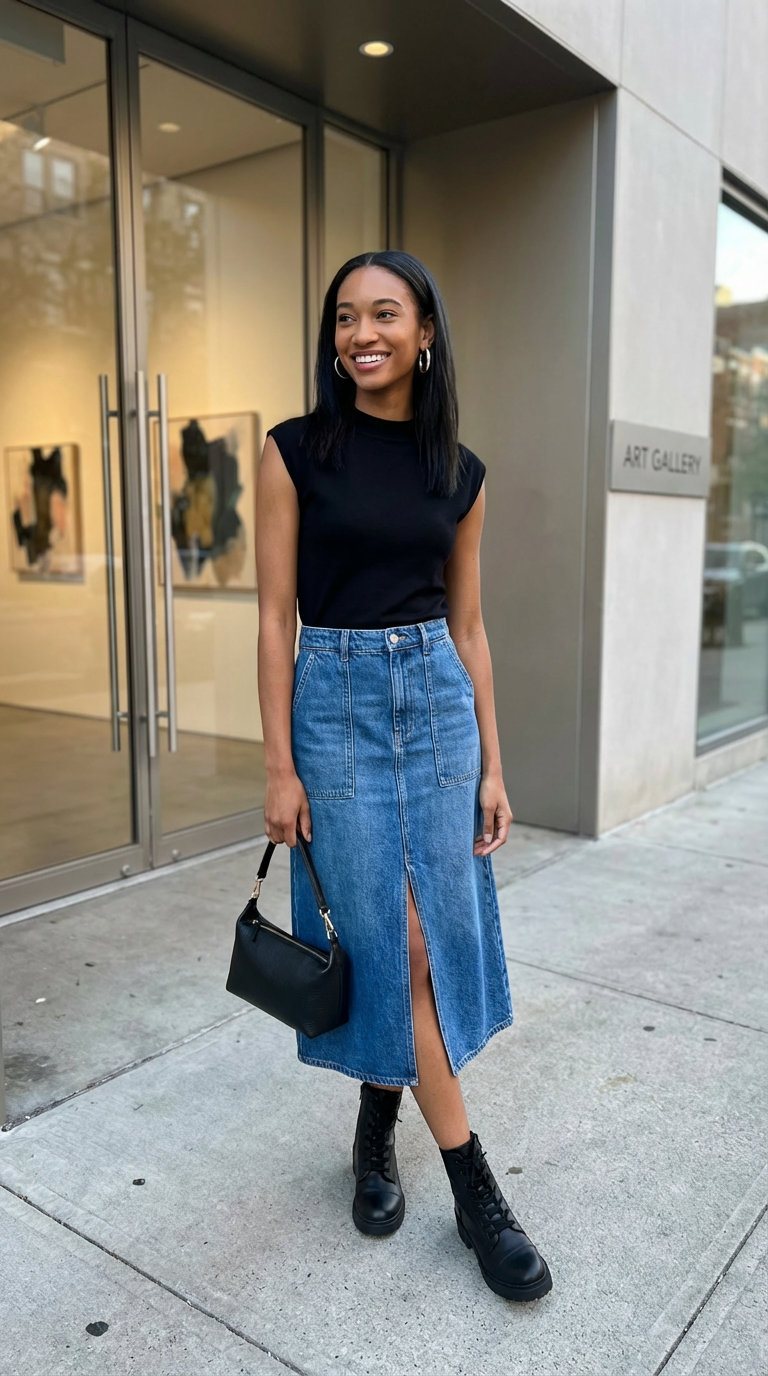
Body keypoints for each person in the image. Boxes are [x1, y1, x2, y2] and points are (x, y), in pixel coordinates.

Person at [256, 250, 552, 1303]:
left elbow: (468, 625)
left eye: (384, 313)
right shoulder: (294, 451)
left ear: (426, 332)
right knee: (383, 935)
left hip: (432, 700)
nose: (360, 333)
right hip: (331, 703)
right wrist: (280, 761)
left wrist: (495, 762)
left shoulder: (459, 473)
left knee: (424, 940)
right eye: (345, 317)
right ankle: (476, 1186)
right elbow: (272, 616)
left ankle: (383, 1123)